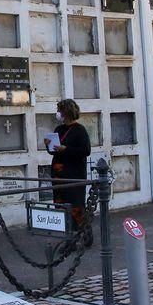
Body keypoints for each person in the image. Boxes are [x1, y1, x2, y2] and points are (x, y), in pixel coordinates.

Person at [48, 98, 93, 244]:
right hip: (58, 175)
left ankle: (84, 235)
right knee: (61, 206)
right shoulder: (59, 130)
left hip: (73, 174)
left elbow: (85, 150)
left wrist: (66, 149)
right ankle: (68, 238)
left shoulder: (79, 130)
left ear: (66, 112)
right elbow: (54, 152)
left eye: (60, 110)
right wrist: (49, 146)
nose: (58, 113)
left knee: (75, 207)